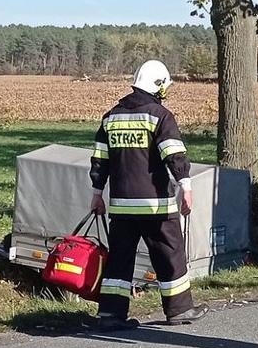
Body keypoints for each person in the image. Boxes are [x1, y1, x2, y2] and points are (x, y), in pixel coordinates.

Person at [87, 60, 205, 330]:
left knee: (119, 261)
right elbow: (174, 155)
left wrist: (96, 194)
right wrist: (185, 186)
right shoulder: (160, 115)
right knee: (170, 255)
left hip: (121, 206)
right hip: (155, 206)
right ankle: (180, 309)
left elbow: (99, 161)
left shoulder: (111, 117)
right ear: (159, 85)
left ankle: (110, 315)